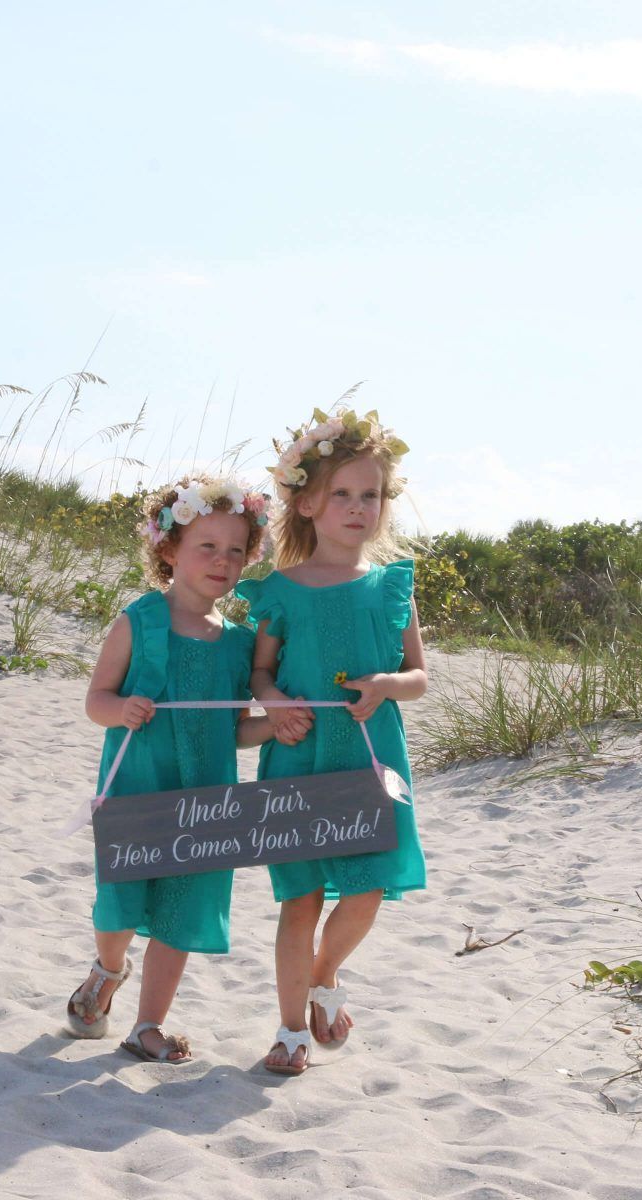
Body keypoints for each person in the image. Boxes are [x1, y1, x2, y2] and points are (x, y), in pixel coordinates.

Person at [235, 408, 427, 1076]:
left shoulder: (391, 585)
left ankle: (324, 974)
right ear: (308, 502)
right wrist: (275, 701)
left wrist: (385, 684)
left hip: (371, 755)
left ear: (384, 504)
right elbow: (261, 670)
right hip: (299, 753)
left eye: (368, 495)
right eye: (341, 494)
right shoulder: (279, 589)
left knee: (368, 888)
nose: (356, 507)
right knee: (301, 898)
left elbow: (420, 678)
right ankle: (290, 1030)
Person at [68, 477, 274, 1063]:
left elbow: (232, 727)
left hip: (206, 792)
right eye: (206, 546)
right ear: (168, 551)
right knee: (121, 901)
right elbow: (95, 701)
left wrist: (276, 723)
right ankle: (108, 969)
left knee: (182, 907)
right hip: (140, 785)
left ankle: (147, 1024)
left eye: (236, 550)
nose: (222, 561)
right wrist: (122, 709)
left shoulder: (239, 644)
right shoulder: (140, 621)